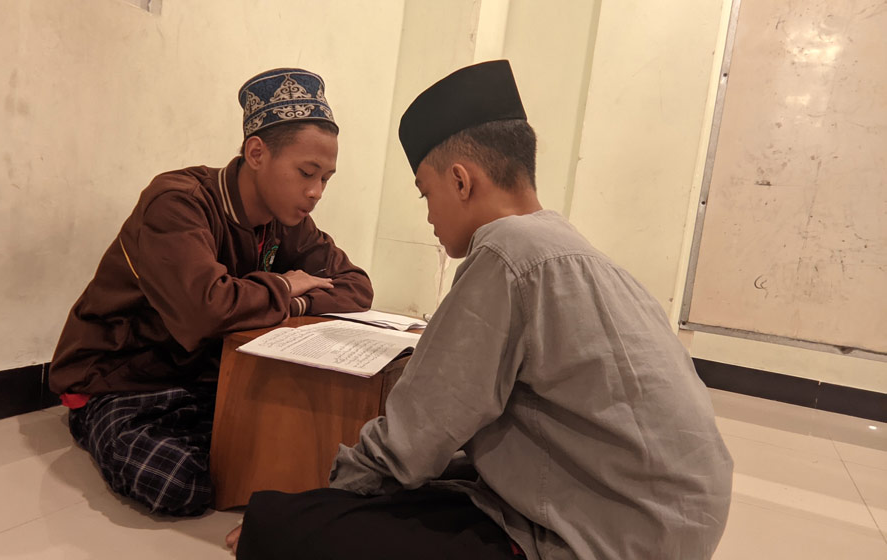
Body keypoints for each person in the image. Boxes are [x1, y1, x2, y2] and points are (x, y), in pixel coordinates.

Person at [226, 60, 733, 559]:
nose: (429, 215)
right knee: (433, 488)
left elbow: (419, 432)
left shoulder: (505, 254)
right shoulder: (568, 247)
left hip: (603, 538)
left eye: (426, 194)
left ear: (461, 181)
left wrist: (325, 503)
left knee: (282, 527)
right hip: (664, 526)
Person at [49, 68, 373, 516]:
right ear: (256, 153)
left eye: (326, 179)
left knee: (313, 440)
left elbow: (356, 288)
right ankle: (99, 424)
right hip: (122, 379)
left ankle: (211, 435)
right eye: (306, 172)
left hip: (205, 375)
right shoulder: (178, 202)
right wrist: (283, 284)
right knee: (178, 483)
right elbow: (207, 310)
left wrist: (294, 299)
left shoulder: (289, 220)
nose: (316, 192)